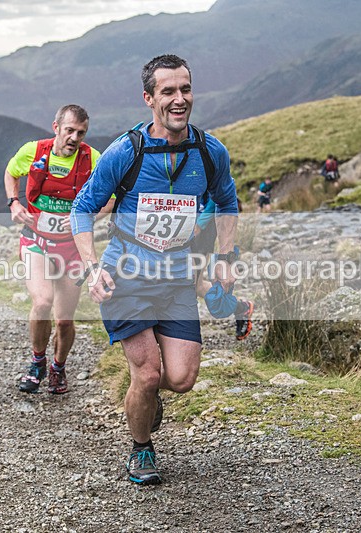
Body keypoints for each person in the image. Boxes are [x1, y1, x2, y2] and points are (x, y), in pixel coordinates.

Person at [71, 54, 238, 485]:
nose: (179, 99)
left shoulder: (209, 151)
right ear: (149, 99)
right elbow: (83, 208)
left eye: (185, 89)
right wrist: (93, 268)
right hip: (125, 276)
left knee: (179, 379)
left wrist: (225, 258)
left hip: (177, 279)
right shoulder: (125, 152)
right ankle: (141, 449)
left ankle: (145, 398)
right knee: (147, 374)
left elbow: (227, 202)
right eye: (168, 91)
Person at [3, 104, 106, 395]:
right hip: (36, 240)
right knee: (43, 301)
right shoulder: (33, 151)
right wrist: (14, 202)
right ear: (56, 127)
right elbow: (11, 173)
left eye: (81, 133)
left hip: (71, 248)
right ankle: (37, 362)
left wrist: (82, 219)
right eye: (70, 130)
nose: (75, 137)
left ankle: (58, 368)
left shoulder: (93, 159)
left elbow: (110, 199)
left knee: (64, 320)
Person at [193, 197, 254, 340]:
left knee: (192, 284)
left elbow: (217, 195)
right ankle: (242, 307)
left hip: (202, 228)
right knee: (197, 285)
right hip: (181, 224)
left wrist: (200, 224)